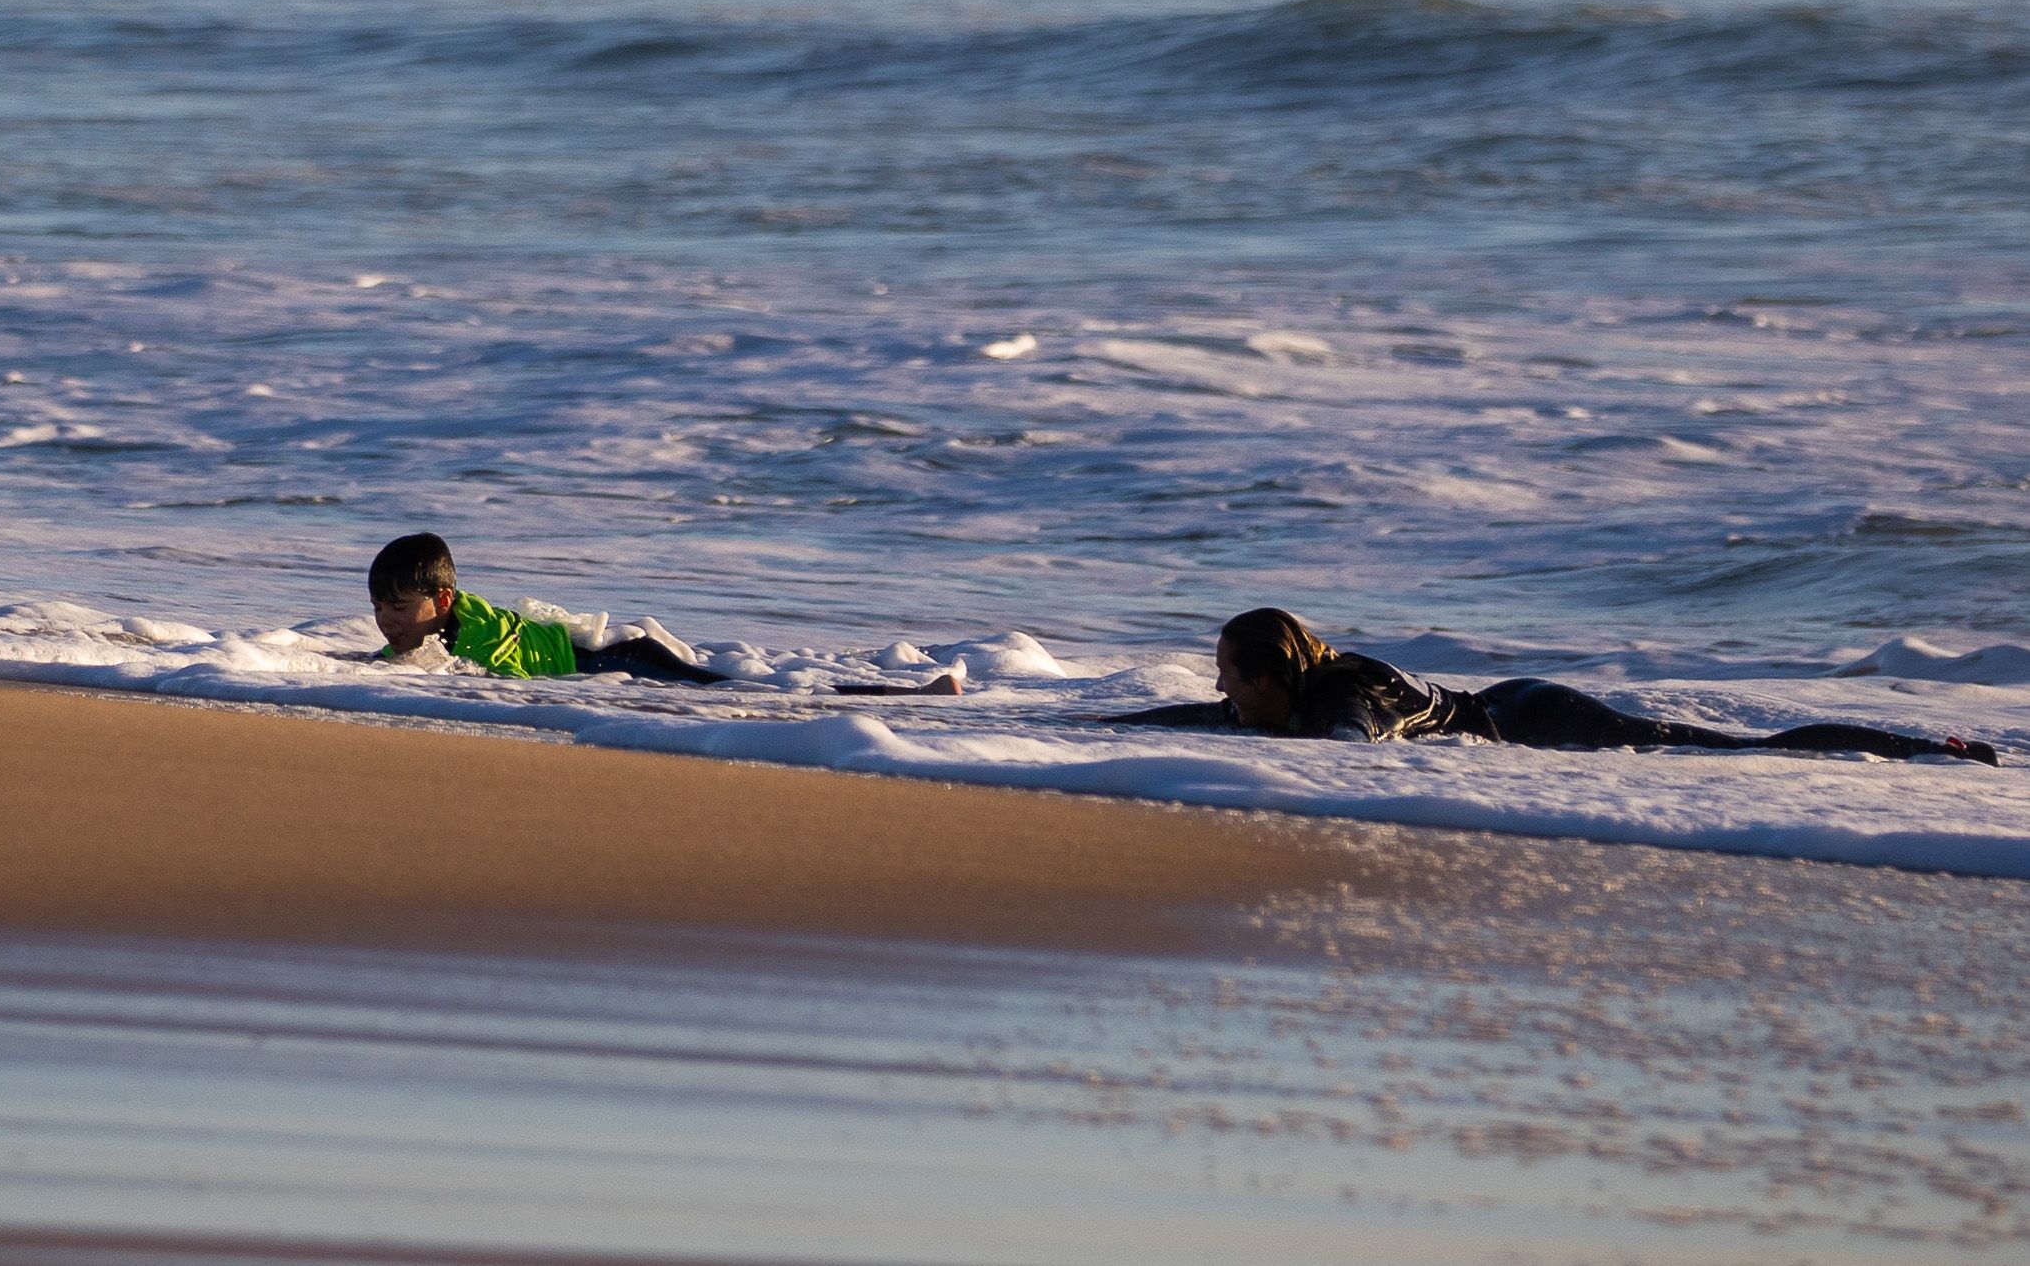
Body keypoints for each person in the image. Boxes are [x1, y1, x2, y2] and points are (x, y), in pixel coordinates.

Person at [1114, 606, 1999, 763]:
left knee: (1729, 750)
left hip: (1539, 721)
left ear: (1271, 677)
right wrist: (1107, 728)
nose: (1217, 685)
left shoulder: (1343, 698)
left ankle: (1926, 749)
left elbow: (1350, 755)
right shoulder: (1277, 699)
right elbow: (1203, 717)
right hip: (1501, 703)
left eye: (1229, 672)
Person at [365, 532, 965, 693]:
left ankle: (895, 695)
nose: (386, 620)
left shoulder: (473, 635)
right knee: (736, 685)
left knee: (743, 692)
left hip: (621, 657)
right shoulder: (446, 616)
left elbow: (500, 682)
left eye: (396, 607)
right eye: (377, 608)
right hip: (609, 656)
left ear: (440, 602)